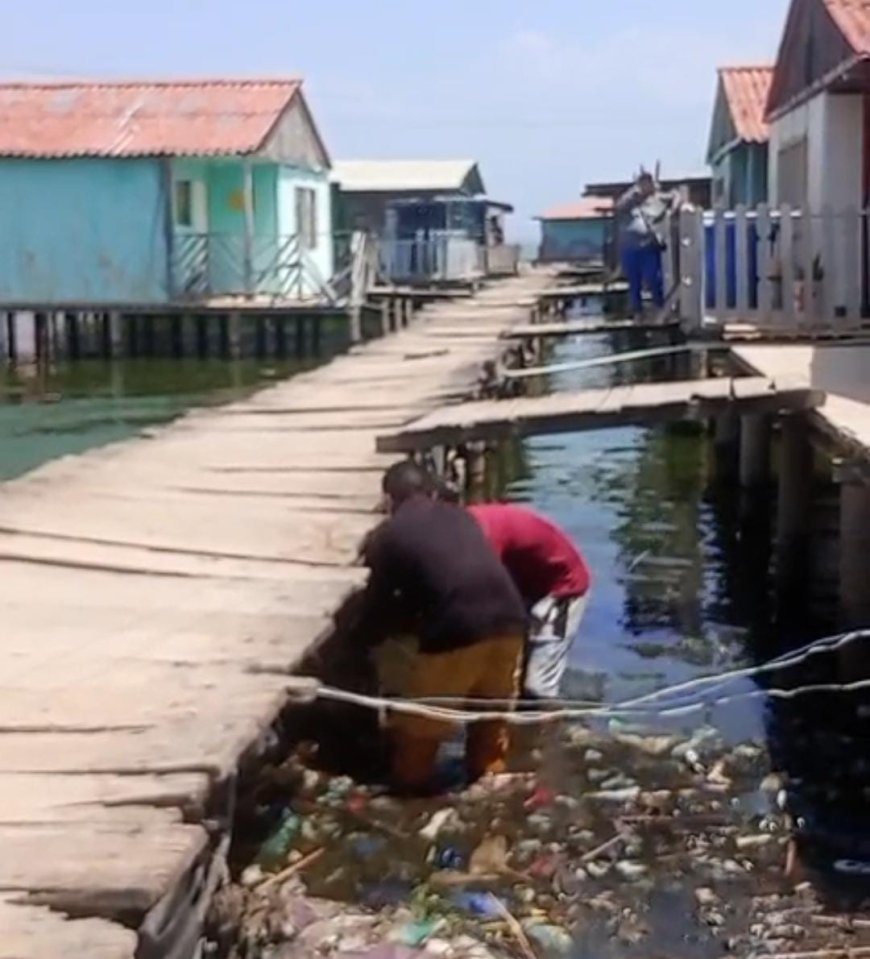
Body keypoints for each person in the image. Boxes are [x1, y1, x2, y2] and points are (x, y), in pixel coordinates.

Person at [359, 461, 528, 794]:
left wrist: (364, 638)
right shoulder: (462, 516)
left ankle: (412, 797)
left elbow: (379, 605)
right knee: (491, 715)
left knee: (422, 731)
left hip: (457, 630)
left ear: (390, 499)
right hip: (511, 621)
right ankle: (489, 784)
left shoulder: (389, 534)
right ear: (430, 490)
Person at [466, 502, 591, 700]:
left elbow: (485, 594)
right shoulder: (468, 524)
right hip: (525, 584)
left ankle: (552, 727)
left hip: (562, 589)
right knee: (515, 673)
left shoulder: (487, 538)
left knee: (538, 687)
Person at [614, 172, 670, 318]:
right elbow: (619, 206)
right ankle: (637, 312)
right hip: (630, 246)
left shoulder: (659, 199)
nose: (645, 186)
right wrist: (634, 195)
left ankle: (659, 307)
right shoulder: (630, 199)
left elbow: (677, 197)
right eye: (642, 183)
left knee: (653, 278)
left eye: (648, 183)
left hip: (648, 245)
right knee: (634, 282)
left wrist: (677, 207)